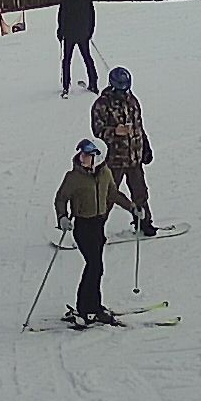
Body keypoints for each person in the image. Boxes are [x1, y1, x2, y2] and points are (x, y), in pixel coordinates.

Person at [53, 138, 137, 327]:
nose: (82, 158)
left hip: (98, 226)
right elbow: (61, 198)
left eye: (87, 155)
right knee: (94, 266)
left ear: (98, 158)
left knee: (97, 268)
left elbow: (113, 194)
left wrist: (132, 207)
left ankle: (93, 307)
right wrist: (62, 217)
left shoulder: (105, 173)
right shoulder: (73, 177)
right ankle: (85, 309)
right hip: (83, 227)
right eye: (82, 154)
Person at [91, 66, 156, 236]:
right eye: (120, 89)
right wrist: (114, 131)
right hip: (114, 160)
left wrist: (145, 146)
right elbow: (97, 131)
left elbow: (138, 127)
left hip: (134, 157)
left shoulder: (132, 101)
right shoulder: (102, 105)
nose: (124, 92)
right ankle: (94, 229)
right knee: (108, 195)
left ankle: (144, 222)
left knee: (140, 192)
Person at [57, 0, 98, 99]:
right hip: (83, 34)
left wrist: (60, 32)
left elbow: (62, 17)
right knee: (87, 58)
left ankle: (65, 85)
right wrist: (90, 32)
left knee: (67, 60)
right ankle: (93, 83)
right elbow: (92, 17)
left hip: (69, 34)